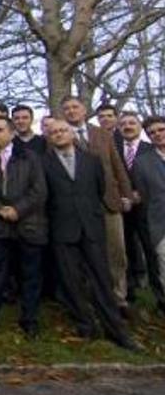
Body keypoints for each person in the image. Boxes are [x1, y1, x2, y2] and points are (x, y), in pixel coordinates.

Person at [41, 119, 138, 350]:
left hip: (91, 227)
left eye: (63, 130)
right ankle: (86, 324)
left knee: (102, 280)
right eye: (54, 132)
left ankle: (116, 329)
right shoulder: (42, 163)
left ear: (72, 134)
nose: (59, 134)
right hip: (62, 229)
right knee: (71, 281)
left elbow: (99, 189)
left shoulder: (92, 162)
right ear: (49, 137)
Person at [0, 116, 47, 338]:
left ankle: (30, 321)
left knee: (30, 276)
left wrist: (17, 210)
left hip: (28, 225)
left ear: (12, 133)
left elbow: (39, 190)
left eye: (0, 129)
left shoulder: (30, 158)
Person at [61, 95, 134, 318]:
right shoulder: (59, 135)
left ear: (84, 110)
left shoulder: (102, 134)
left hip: (108, 203)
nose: (71, 111)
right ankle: (90, 299)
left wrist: (126, 193)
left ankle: (118, 298)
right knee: (87, 254)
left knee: (116, 252)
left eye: (75, 107)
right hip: (80, 206)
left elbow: (117, 165)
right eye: (67, 109)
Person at [130, 116, 165, 314]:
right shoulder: (143, 162)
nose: (157, 134)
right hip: (160, 224)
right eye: (152, 133)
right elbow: (142, 195)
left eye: (161, 129)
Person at [117, 111, 153, 303]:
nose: (128, 126)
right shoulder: (114, 148)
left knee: (151, 249)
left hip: (148, 209)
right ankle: (129, 289)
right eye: (123, 124)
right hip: (123, 208)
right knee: (126, 249)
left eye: (132, 123)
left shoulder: (151, 149)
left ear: (139, 127)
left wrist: (141, 194)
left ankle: (157, 290)